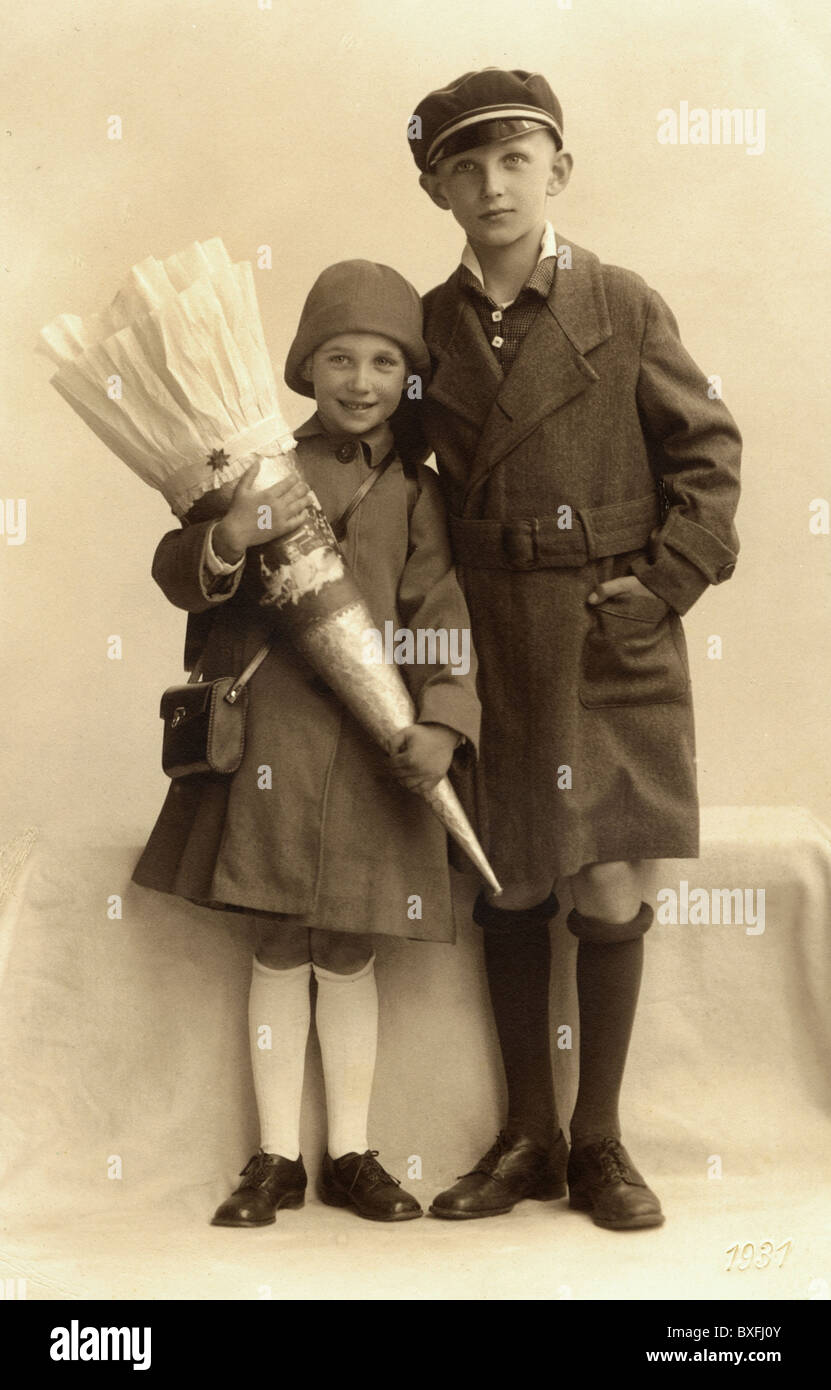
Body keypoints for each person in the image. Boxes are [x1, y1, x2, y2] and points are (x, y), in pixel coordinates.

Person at [404, 68, 742, 1228]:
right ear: (435, 186)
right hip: (491, 633)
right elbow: (398, 485)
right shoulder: (427, 327)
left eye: (515, 158)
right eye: (465, 165)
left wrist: (665, 585)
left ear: (559, 170)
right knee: (512, 876)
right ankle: (525, 1136)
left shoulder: (622, 299)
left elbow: (708, 456)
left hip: (608, 633)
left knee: (605, 879)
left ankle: (600, 1141)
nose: (492, 183)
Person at [132, 260, 480, 1224]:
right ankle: (274, 1158)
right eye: (338, 358)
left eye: (381, 362)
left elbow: (439, 613)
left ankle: (352, 1154)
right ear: (303, 367)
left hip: (377, 753)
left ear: (405, 380)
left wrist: (446, 721)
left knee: (348, 941)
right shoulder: (249, 465)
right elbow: (176, 571)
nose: (359, 381)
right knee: (279, 937)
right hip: (270, 745)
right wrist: (232, 535)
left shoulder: (419, 493)